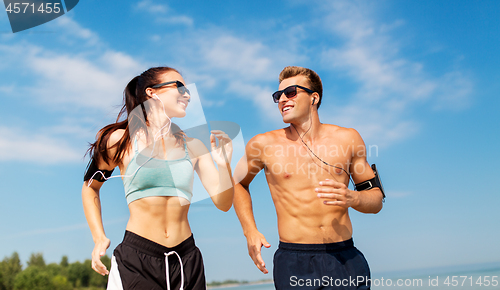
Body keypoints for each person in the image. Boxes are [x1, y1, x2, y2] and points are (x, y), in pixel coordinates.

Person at [82, 66, 234, 290]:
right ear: (152, 93)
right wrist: (98, 237)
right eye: (179, 87)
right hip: (137, 259)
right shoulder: (119, 141)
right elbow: (90, 188)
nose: (187, 94)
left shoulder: (193, 146)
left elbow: (223, 203)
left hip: (186, 259)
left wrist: (223, 165)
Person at [233, 66, 384, 289]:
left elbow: (376, 200)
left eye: (291, 92)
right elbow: (236, 184)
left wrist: (354, 198)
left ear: (314, 98)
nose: (282, 99)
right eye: (278, 96)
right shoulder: (263, 144)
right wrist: (250, 231)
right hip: (294, 261)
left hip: (345, 257)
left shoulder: (348, 139)